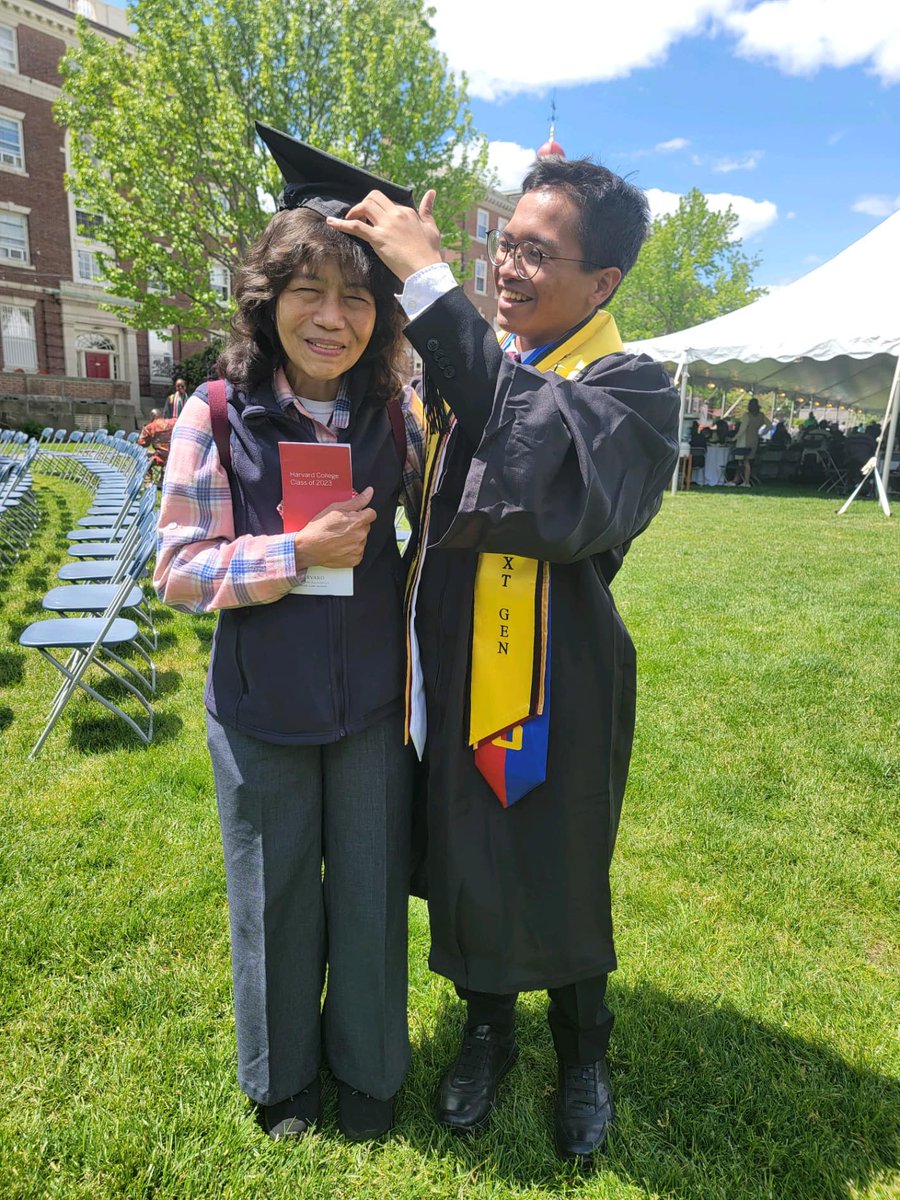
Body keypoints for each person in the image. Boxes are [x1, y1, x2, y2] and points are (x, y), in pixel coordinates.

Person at [330, 155, 679, 1158]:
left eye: (538, 252)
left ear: (603, 282)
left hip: (557, 678)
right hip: (445, 659)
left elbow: (541, 467)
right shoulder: (475, 362)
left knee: (560, 860)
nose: (509, 268)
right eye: (505, 244)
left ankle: (583, 1055)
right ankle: (486, 1031)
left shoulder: (630, 386)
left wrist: (436, 289)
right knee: (465, 850)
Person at [154, 127, 424, 1144]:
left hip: (365, 705)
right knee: (273, 899)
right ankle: (282, 1082)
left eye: (357, 297)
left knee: (365, 891)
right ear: (269, 299)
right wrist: (292, 555)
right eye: (308, 291)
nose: (332, 318)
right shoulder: (214, 415)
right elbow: (176, 571)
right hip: (261, 706)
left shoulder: (396, 414)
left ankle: (369, 1072)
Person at [730, 397, 771, 487]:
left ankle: (746, 481)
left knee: (744, 461)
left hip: (744, 440)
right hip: (754, 439)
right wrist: (761, 433)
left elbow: (742, 429)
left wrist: (734, 438)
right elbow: (769, 425)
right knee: (747, 461)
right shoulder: (761, 416)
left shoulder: (747, 415)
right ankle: (736, 480)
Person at [137, 407, 176, 482]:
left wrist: (144, 432)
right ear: (161, 415)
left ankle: (148, 480)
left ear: (151, 417)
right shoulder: (173, 422)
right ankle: (162, 477)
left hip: (160, 456)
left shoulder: (150, 427)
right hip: (174, 455)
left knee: (143, 458)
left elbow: (142, 444)